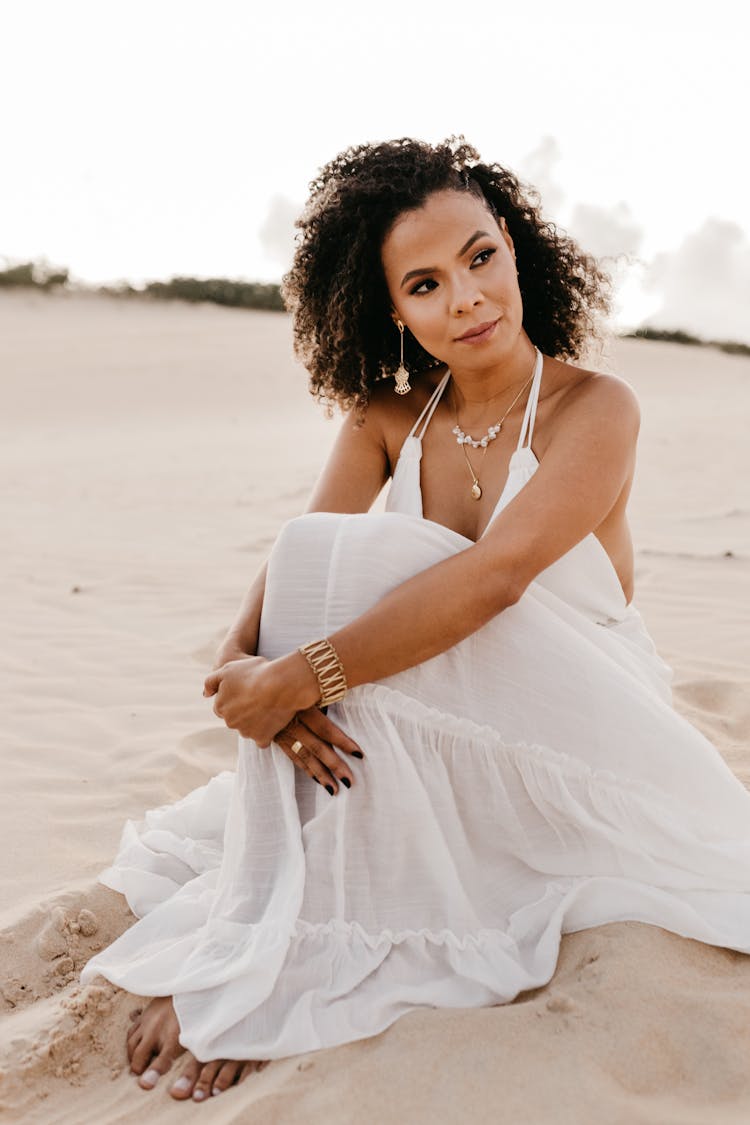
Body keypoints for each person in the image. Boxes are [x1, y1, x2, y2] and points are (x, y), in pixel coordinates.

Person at [81, 136, 750, 1104]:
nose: (469, 299)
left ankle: (292, 951)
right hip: (422, 712)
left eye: (481, 257)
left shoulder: (595, 407)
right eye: (427, 284)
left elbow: (499, 578)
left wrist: (300, 678)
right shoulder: (385, 418)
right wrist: (241, 671)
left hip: (586, 719)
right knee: (325, 553)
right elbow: (298, 563)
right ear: (392, 308)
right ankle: (271, 919)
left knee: (388, 573)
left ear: (517, 248)